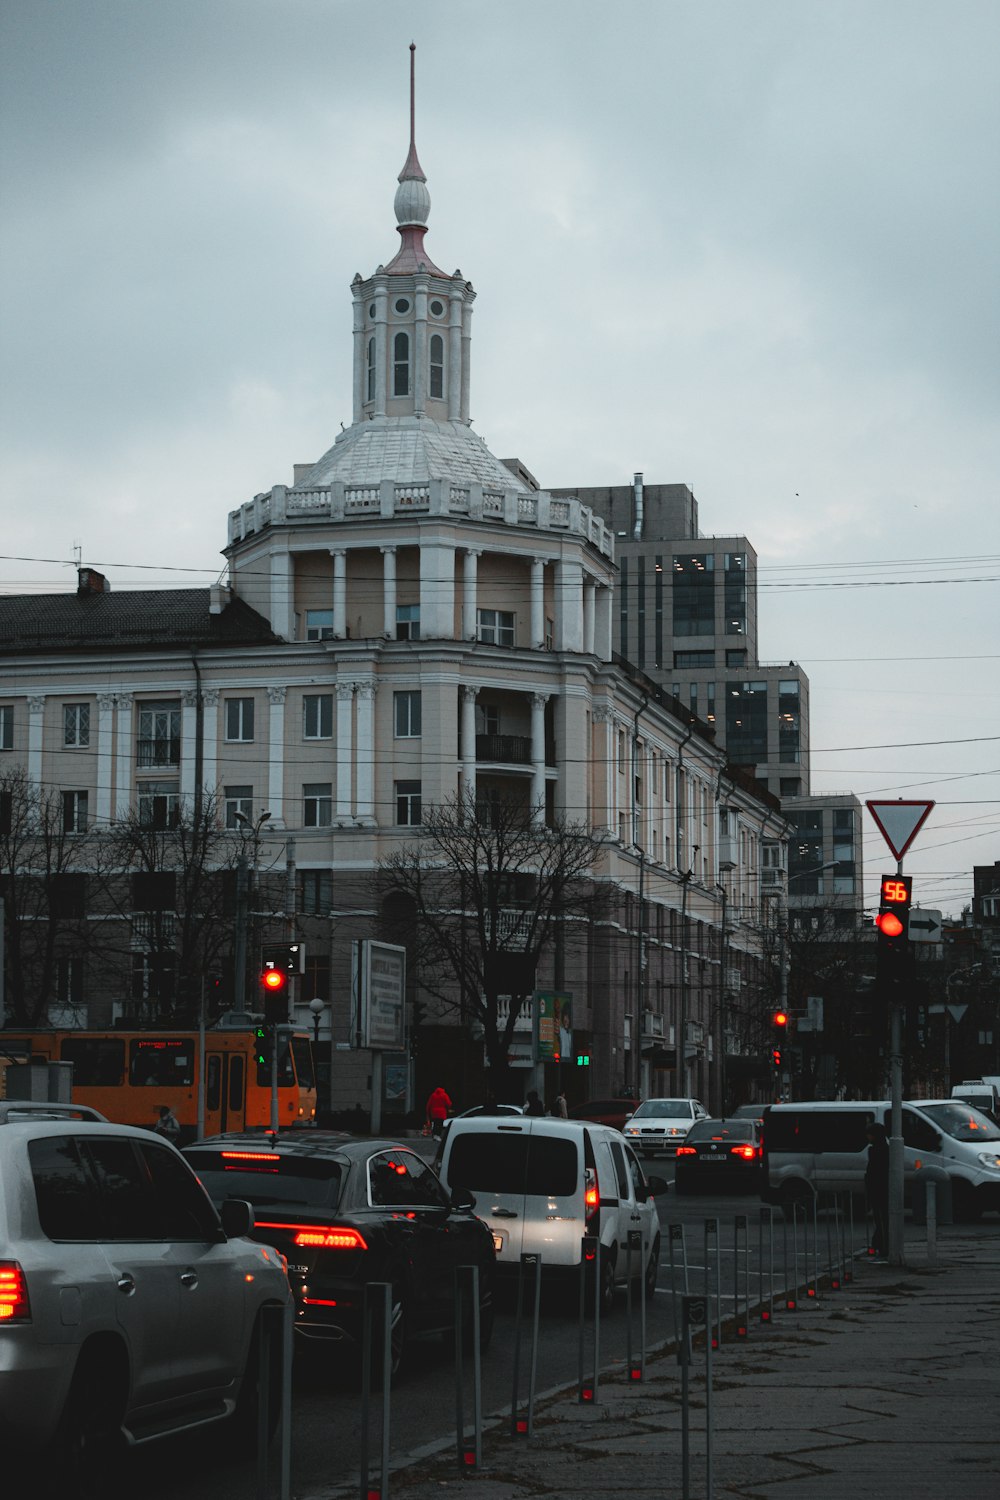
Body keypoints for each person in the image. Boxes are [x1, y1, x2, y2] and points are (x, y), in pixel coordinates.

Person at [865, 1120, 889, 1259]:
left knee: (881, 1219)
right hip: (880, 1188)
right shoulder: (883, 1148)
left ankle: (880, 1246)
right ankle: (878, 1245)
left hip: (878, 1189)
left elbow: (874, 1172)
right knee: (882, 1220)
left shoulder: (876, 1150)